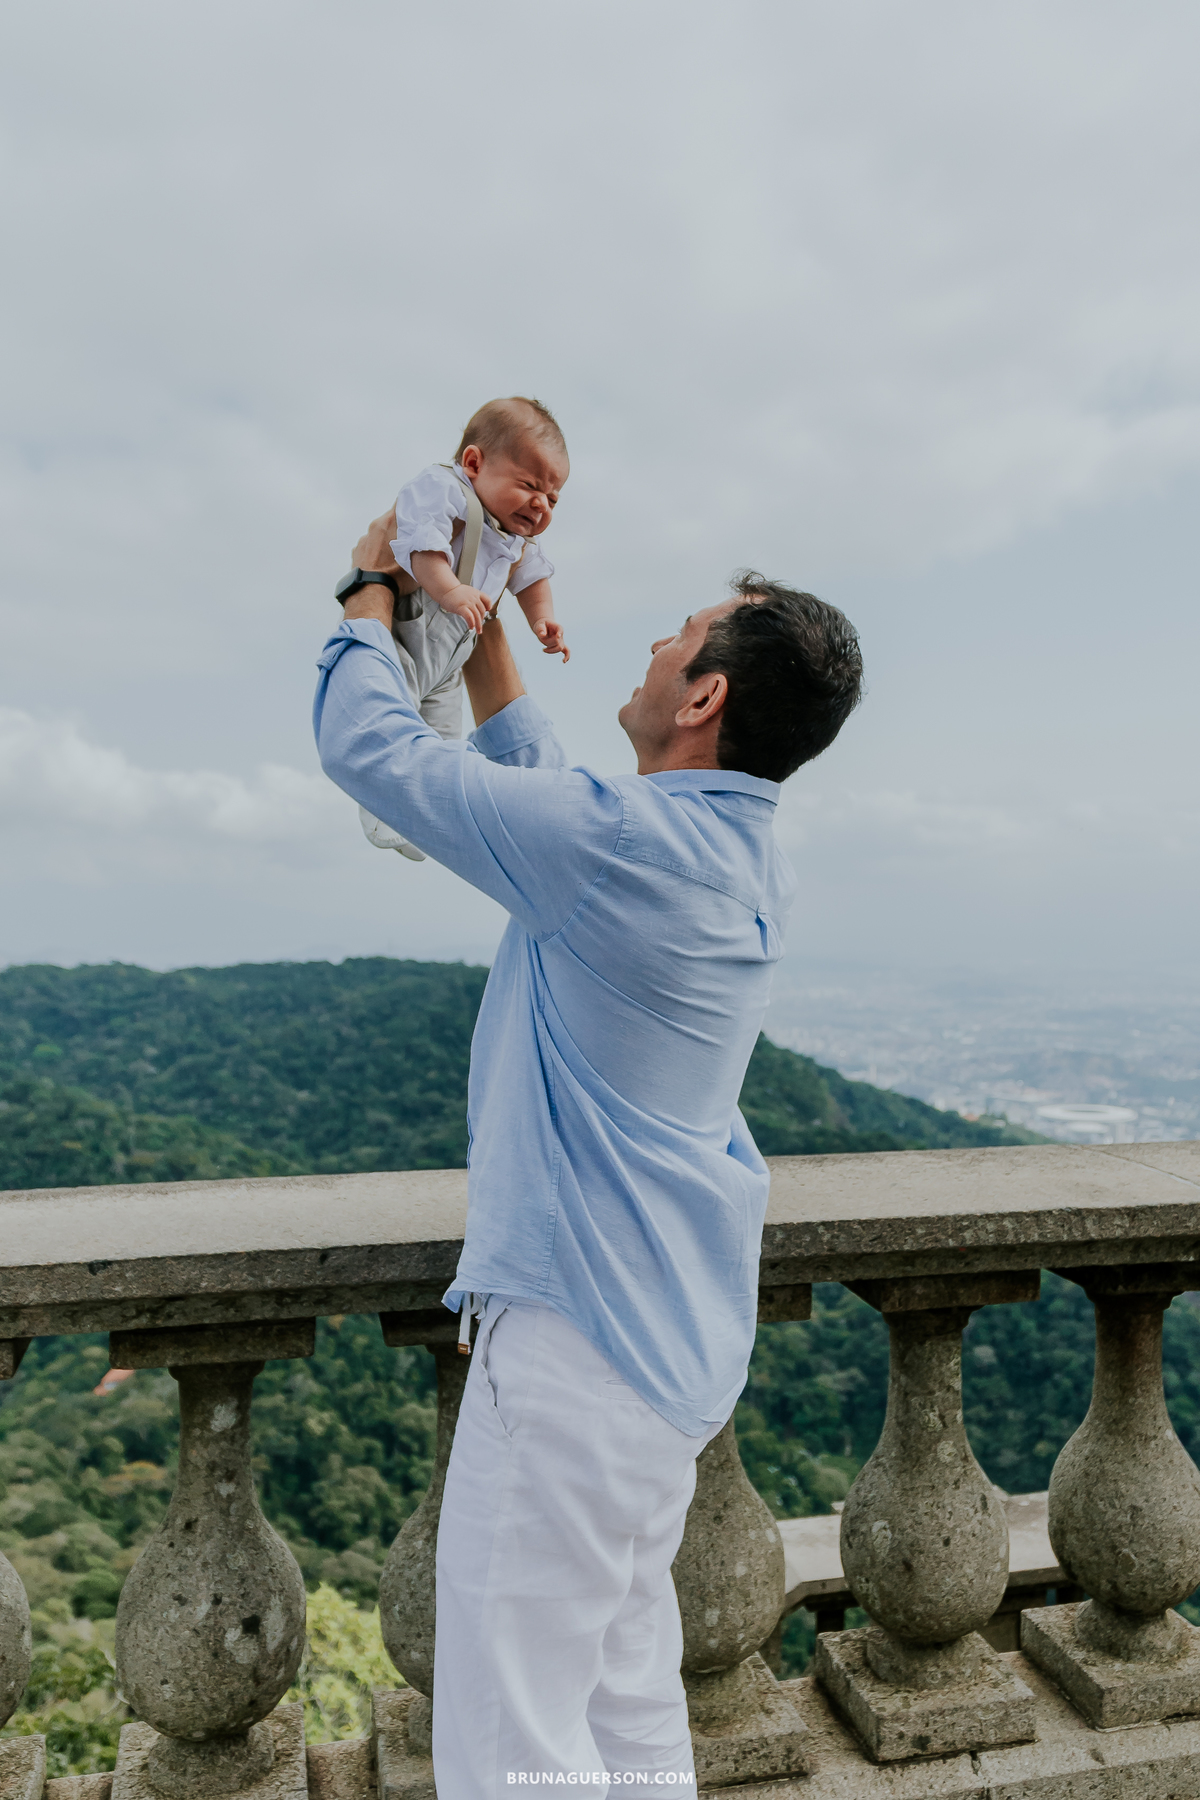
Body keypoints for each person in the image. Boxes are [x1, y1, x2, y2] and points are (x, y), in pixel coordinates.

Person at [314, 516, 863, 1798]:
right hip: (661, 1365)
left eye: (680, 636)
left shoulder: (617, 849)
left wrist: (369, 597)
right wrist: (483, 610)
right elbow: (555, 785)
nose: (657, 641)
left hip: (572, 1353)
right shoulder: (733, 848)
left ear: (705, 694)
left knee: (516, 1748)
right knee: (623, 1710)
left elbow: (372, 750)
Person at [341, 396, 569, 861]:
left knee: (442, 733)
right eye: (529, 485)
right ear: (473, 462)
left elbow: (533, 577)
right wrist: (450, 590)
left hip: (456, 650)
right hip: (418, 621)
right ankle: (381, 809)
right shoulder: (443, 489)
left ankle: (423, 819)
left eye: (553, 498)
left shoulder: (514, 538)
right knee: (393, 709)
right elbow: (420, 543)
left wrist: (543, 620)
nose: (541, 504)